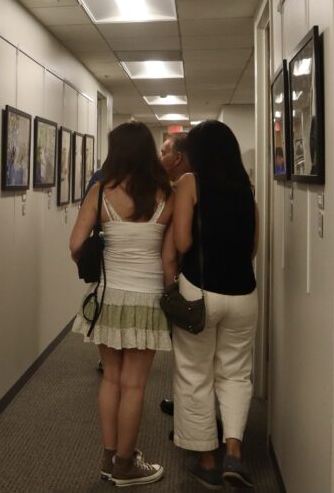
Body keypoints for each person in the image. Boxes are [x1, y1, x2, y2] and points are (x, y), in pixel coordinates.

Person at [69, 122, 177, 487]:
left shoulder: (101, 192)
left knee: (112, 379)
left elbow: (75, 246)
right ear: (149, 151)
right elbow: (169, 256)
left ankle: (108, 457)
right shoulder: (166, 193)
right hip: (147, 300)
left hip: (109, 297)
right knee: (134, 386)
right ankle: (126, 464)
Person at [170, 120, 258, 489]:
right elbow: (253, 248)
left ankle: (206, 459)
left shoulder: (190, 182)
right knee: (236, 372)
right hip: (243, 293)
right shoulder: (246, 188)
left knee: (195, 372)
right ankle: (234, 453)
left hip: (200, 292)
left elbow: (183, 241)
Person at [157, 132, 189, 417]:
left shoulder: (184, 189)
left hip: (188, 280)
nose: (160, 155)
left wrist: (170, 288)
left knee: (191, 356)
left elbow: (176, 246)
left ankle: (191, 420)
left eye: (164, 151)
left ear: (177, 157)